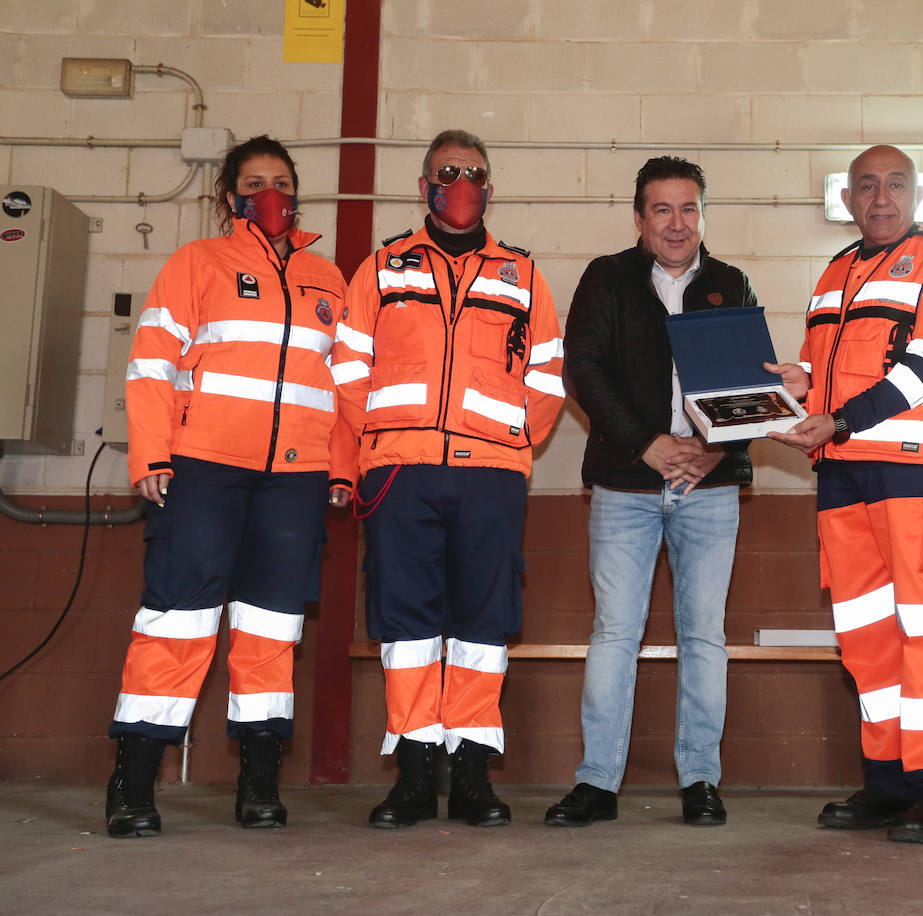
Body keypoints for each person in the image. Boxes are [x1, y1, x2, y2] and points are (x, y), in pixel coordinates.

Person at [106, 135, 348, 837]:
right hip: (203, 468)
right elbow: (151, 364)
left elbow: (343, 387)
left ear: (298, 192)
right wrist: (151, 456)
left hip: (295, 479)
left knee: (271, 630)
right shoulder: (197, 264)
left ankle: (260, 782)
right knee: (177, 622)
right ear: (229, 198)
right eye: (253, 182)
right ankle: (133, 782)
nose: (268, 191)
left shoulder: (327, 280)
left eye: (280, 180)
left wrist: (341, 466)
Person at [330, 129, 564, 829]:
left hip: (490, 473)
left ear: (490, 187)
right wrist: (372, 449)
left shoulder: (523, 276)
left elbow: (548, 376)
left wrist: (514, 439)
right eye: (446, 172)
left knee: (481, 625)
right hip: (401, 472)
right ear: (423, 184)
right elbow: (347, 372)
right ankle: (412, 773)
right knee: (406, 625)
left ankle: (469, 775)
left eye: (473, 173)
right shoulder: (380, 270)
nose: (460, 182)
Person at [767, 145, 923, 845]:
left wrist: (840, 418)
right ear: (850, 198)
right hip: (840, 479)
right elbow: (825, 370)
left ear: (916, 193)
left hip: (914, 476)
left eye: (895, 185)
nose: (881, 198)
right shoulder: (833, 272)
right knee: (867, 643)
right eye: (867, 186)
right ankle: (888, 785)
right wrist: (794, 389)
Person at [544, 156, 755, 829]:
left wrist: (714, 449)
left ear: (702, 215)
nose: (676, 222)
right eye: (661, 209)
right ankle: (598, 783)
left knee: (704, 636)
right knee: (614, 632)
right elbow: (584, 369)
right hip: (626, 483)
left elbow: (750, 390)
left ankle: (701, 782)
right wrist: (648, 444)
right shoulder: (607, 279)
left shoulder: (729, 284)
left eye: (688, 208)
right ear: (639, 218)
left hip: (708, 486)